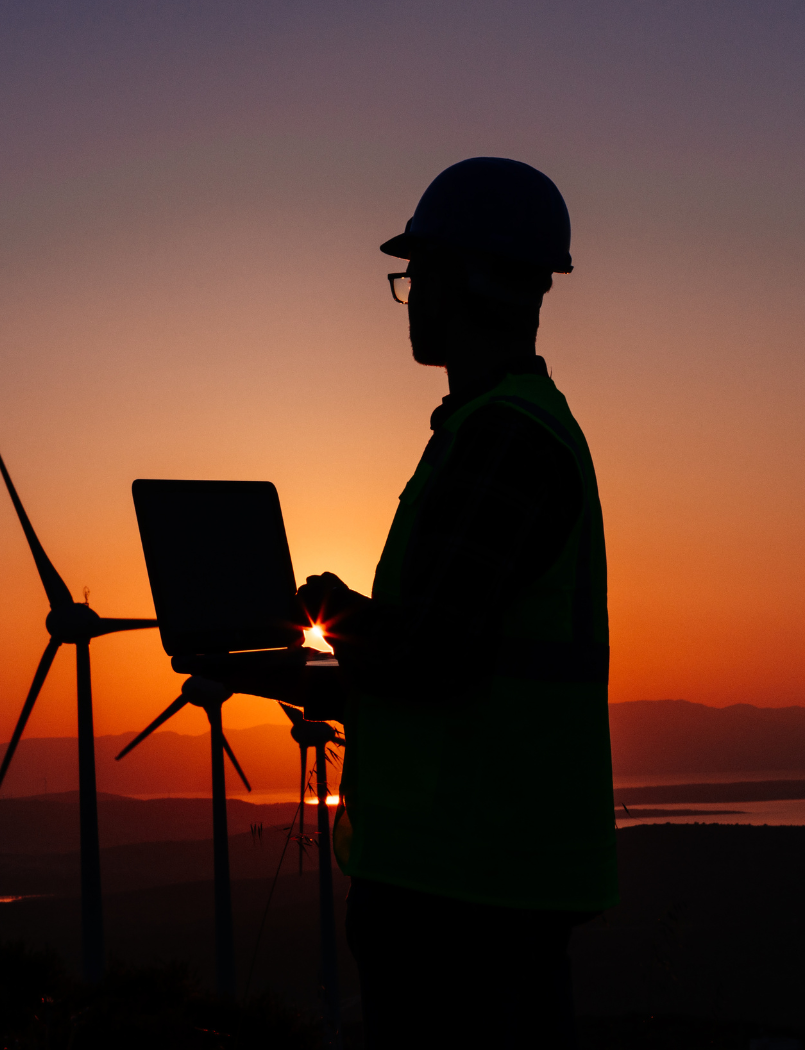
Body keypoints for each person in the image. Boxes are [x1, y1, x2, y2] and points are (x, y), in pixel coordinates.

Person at [297, 157, 617, 1048]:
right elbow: (466, 653)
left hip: (468, 887)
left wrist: (332, 612)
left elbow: (434, 655)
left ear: (476, 277)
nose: (412, 296)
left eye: (420, 274)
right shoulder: (500, 426)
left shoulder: (505, 438)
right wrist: (302, 670)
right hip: (482, 878)